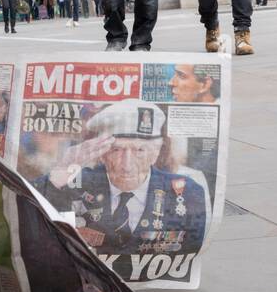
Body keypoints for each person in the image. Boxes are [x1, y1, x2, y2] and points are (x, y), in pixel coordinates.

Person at [34, 99, 207, 254]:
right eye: (116, 150)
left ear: (155, 153)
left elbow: (191, 247)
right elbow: (26, 213)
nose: (127, 165)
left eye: (139, 150)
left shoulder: (187, 192)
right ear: (102, 154)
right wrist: (60, 173)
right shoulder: (76, 183)